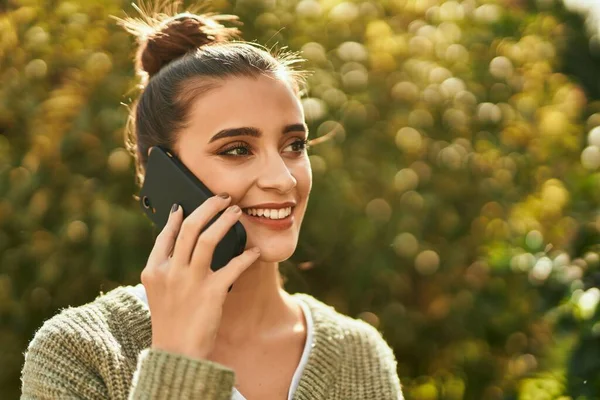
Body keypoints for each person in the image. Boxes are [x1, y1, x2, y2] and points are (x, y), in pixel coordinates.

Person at [20, 3, 403, 400]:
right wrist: (177, 360)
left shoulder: (358, 355)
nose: (283, 178)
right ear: (163, 175)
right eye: (237, 149)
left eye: (294, 145)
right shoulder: (80, 352)